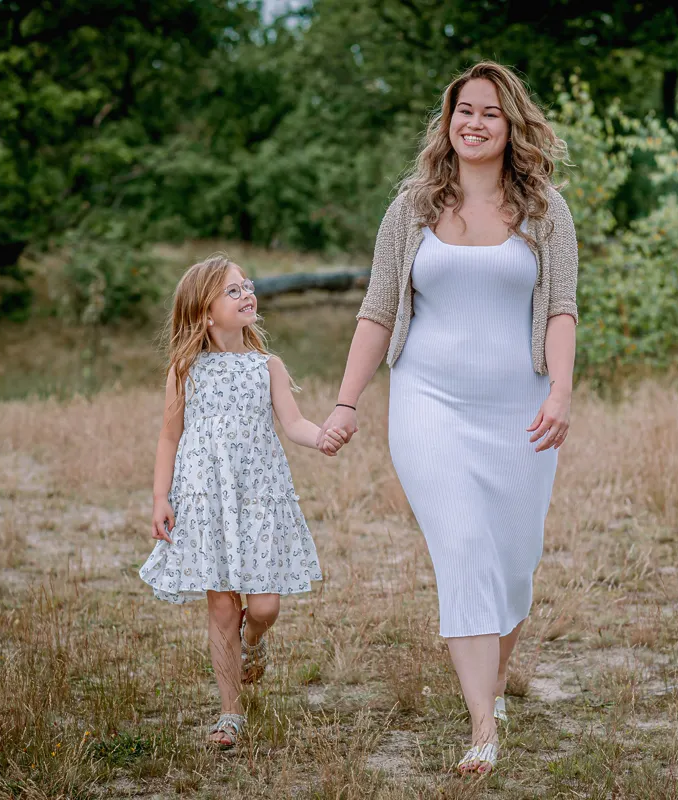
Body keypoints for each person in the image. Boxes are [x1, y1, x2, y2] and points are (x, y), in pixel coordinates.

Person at [318, 61, 579, 776]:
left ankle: (490, 680)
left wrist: (559, 391)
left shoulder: (547, 211)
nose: (474, 122)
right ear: (448, 119)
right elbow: (377, 311)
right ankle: (481, 724)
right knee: (463, 547)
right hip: (429, 404)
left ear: (511, 124)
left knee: (514, 562)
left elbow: (561, 308)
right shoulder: (412, 207)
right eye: (464, 110)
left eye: (490, 112)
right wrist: (347, 400)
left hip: (520, 411)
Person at [140, 254, 345, 749]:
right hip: (206, 499)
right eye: (232, 290)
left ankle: (254, 645)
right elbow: (170, 438)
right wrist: (160, 498)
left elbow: (293, 423)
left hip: (257, 498)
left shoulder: (266, 366)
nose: (246, 294)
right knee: (221, 608)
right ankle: (229, 713)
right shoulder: (184, 370)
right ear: (204, 312)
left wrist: (322, 437)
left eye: (246, 286)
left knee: (264, 605)